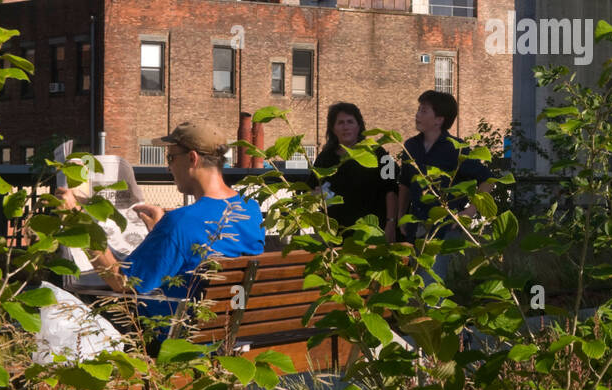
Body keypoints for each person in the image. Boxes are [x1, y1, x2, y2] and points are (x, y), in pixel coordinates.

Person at [58, 121, 264, 326]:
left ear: (192, 158)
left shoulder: (180, 223)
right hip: (229, 329)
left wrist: (78, 221)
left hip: (176, 338)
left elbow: (122, 283)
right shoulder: (250, 209)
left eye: (171, 158)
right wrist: (161, 230)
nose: (168, 167)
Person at [397, 90, 492, 282]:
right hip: (415, 227)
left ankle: (433, 312)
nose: (417, 114)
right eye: (418, 109)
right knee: (410, 283)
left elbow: (487, 180)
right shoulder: (410, 146)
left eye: (423, 111)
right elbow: (405, 184)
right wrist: (400, 216)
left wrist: (470, 212)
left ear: (439, 119)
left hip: (444, 229)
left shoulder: (455, 148)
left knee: (431, 284)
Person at [308, 102, 398, 242]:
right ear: (333, 128)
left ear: (359, 126)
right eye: (340, 123)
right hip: (338, 234)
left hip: (373, 231)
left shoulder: (380, 154)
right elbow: (312, 187)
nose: (346, 127)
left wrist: (391, 224)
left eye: (350, 122)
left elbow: (392, 191)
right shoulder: (324, 158)